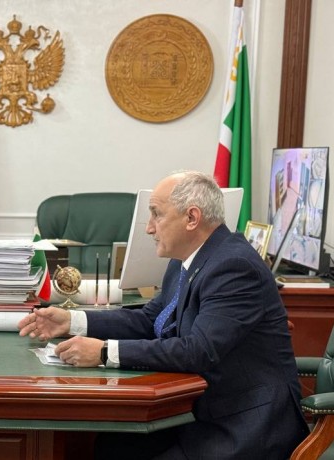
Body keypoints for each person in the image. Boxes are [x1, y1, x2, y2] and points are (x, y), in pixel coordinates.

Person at [18, 171, 309, 459]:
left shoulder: (234, 266)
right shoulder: (187, 258)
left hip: (244, 426)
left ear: (191, 218)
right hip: (200, 412)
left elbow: (198, 350)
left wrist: (104, 352)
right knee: (111, 445)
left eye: (157, 214)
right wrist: (73, 321)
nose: (149, 228)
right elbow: (150, 320)